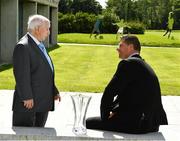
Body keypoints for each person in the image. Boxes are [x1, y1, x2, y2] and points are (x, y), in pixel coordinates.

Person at [86, 35, 168, 134]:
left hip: (136, 123)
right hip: (152, 124)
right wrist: (116, 111)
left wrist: (105, 117)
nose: (117, 49)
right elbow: (130, 95)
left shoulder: (128, 64)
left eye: (121, 45)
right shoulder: (143, 64)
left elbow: (109, 92)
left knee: (85, 122)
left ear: (130, 47)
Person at [12, 14, 61, 127]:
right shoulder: (23, 46)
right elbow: (21, 75)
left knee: (39, 135)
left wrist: (54, 90)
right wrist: (26, 96)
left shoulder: (38, 44)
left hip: (41, 103)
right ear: (38, 29)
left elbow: (43, 71)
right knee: (25, 137)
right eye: (47, 29)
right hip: (28, 106)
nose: (49, 32)